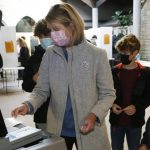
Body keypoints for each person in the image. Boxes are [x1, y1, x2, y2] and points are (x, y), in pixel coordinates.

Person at [11, 3, 116, 150]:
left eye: (56, 29)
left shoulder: (97, 55)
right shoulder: (50, 54)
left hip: (90, 128)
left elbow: (108, 94)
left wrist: (94, 115)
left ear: (72, 25)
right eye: (50, 30)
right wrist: (28, 104)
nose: (52, 34)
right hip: (58, 129)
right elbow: (41, 89)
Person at [109, 34, 150, 150]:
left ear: (135, 52)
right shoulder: (114, 72)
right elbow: (106, 93)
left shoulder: (145, 74)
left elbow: (148, 96)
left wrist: (137, 106)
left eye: (125, 53)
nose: (122, 56)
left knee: (134, 147)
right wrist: (111, 105)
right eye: (120, 53)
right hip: (116, 121)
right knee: (116, 147)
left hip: (135, 123)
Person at [22, 19, 52, 131]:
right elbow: (26, 86)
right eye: (43, 36)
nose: (47, 38)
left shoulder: (62, 55)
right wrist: (34, 79)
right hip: (42, 114)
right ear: (39, 37)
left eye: (49, 35)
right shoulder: (33, 60)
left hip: (64, 114)